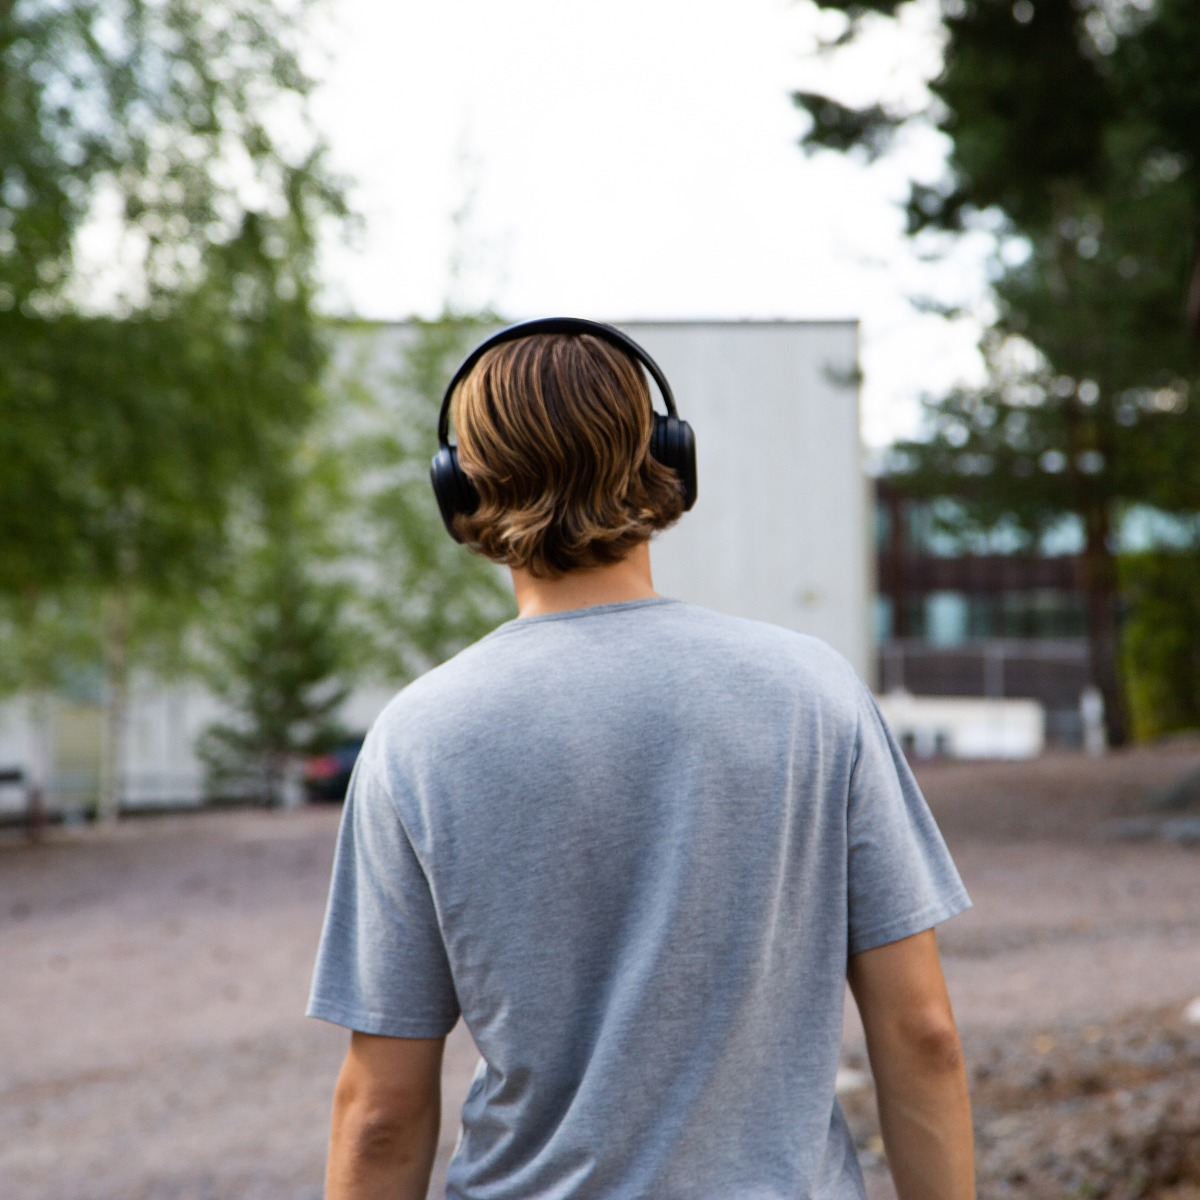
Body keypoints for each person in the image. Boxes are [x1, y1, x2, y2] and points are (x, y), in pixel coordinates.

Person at [307, 319, 975, 1200]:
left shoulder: (417, 737)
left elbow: (383, 1111)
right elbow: (921, 1031)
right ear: (668, 459)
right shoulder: (815, 692)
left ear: (458, 486)